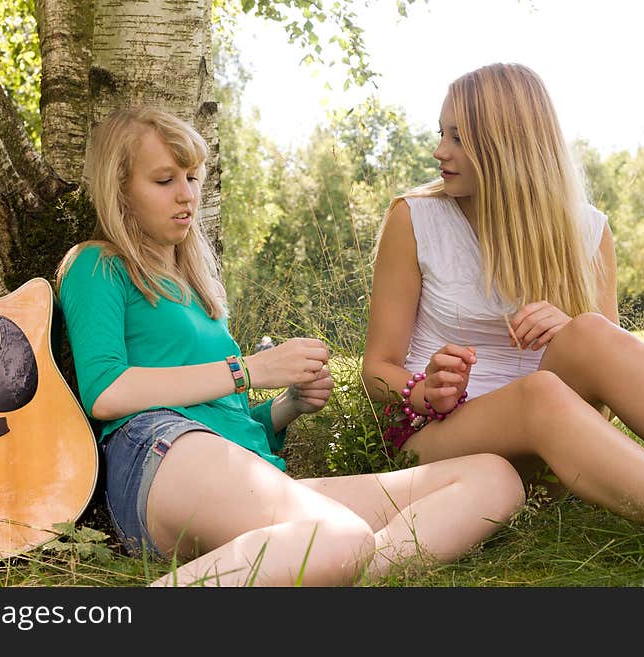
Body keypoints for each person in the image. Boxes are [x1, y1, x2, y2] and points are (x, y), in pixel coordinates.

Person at [57, 106, 525, 587]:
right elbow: (105, 390)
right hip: (155, 454)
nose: (187, 196)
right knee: (342, 535)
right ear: (120, 192)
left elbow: (224, 416)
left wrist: (285, 408)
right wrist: (250, 370)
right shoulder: (97, 265)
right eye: (163, 180)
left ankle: (345, 571)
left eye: (193, 178)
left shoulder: (192, 285)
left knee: (493, 478)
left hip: (241, 467)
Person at [363, 62, 644, 531]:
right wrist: (421, 390)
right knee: (540, 393)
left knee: (592, 333)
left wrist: (568, 329)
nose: (439, 151)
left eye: (458, 137)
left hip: (562, 443)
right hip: (443, 439)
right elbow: (375, 370)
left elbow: (617, 377)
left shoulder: (589, 228)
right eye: (442, 133)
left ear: (506, 144)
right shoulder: (414, 218)